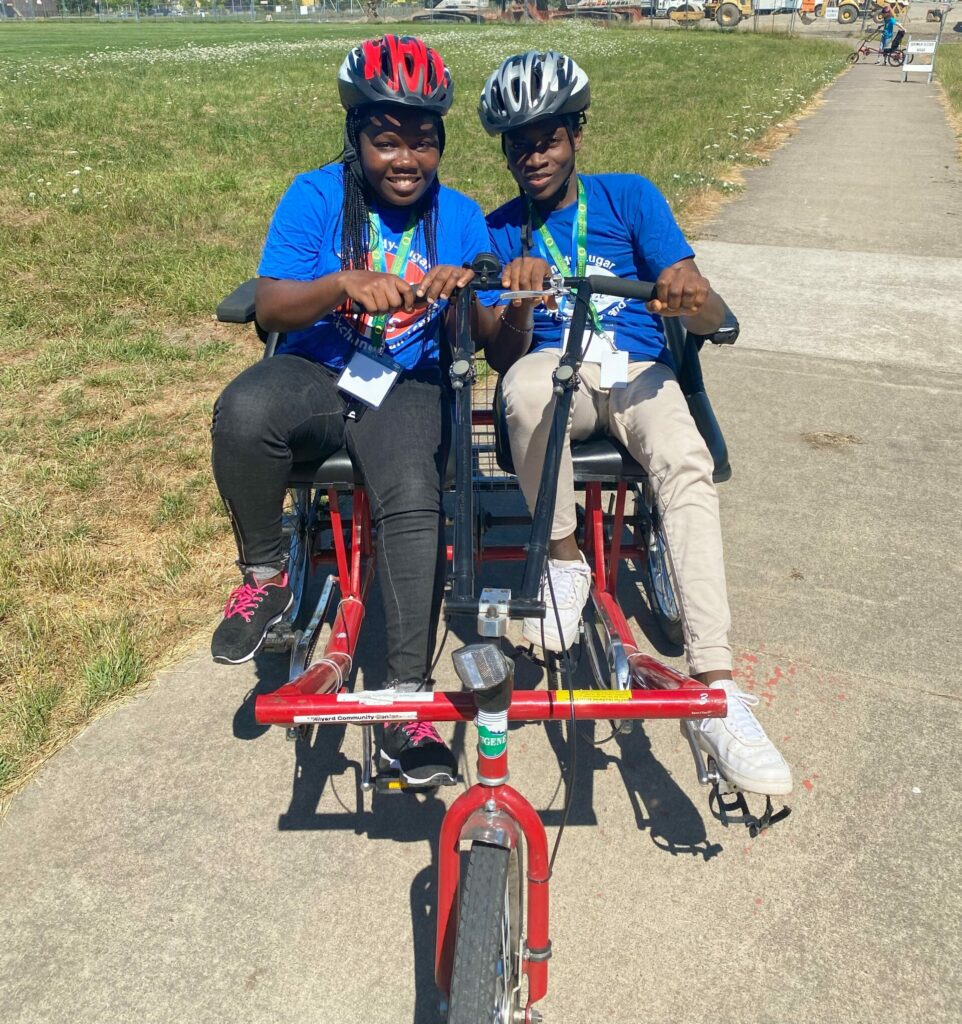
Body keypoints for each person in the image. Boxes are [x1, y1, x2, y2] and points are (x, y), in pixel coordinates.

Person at [477, 50, 792, 797]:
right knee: (523, 390)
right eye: (519, 144)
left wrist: (694, 292)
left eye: (547, 137)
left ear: (576, 135)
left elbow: (715, 317)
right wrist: (518, 302)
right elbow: (501, 354)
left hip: (636, 369)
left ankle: (716, 690)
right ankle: (562, 558)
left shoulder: (630, 198)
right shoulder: (497, 229)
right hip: (559, 373)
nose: (534, 156)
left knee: (683, 461)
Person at [211, 35, 492, 785]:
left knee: (411, 494)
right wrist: (343, 283)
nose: (406, 159)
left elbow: (499, 331)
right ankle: (266, 581)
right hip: (317, 371)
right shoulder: (314, 196)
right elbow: (270, 303)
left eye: (424, 141)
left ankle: (405, 706)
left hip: (407, 384)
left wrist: (469, 288)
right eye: (386, 139)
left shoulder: (461, 216)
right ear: (355, 136)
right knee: (243, 410)